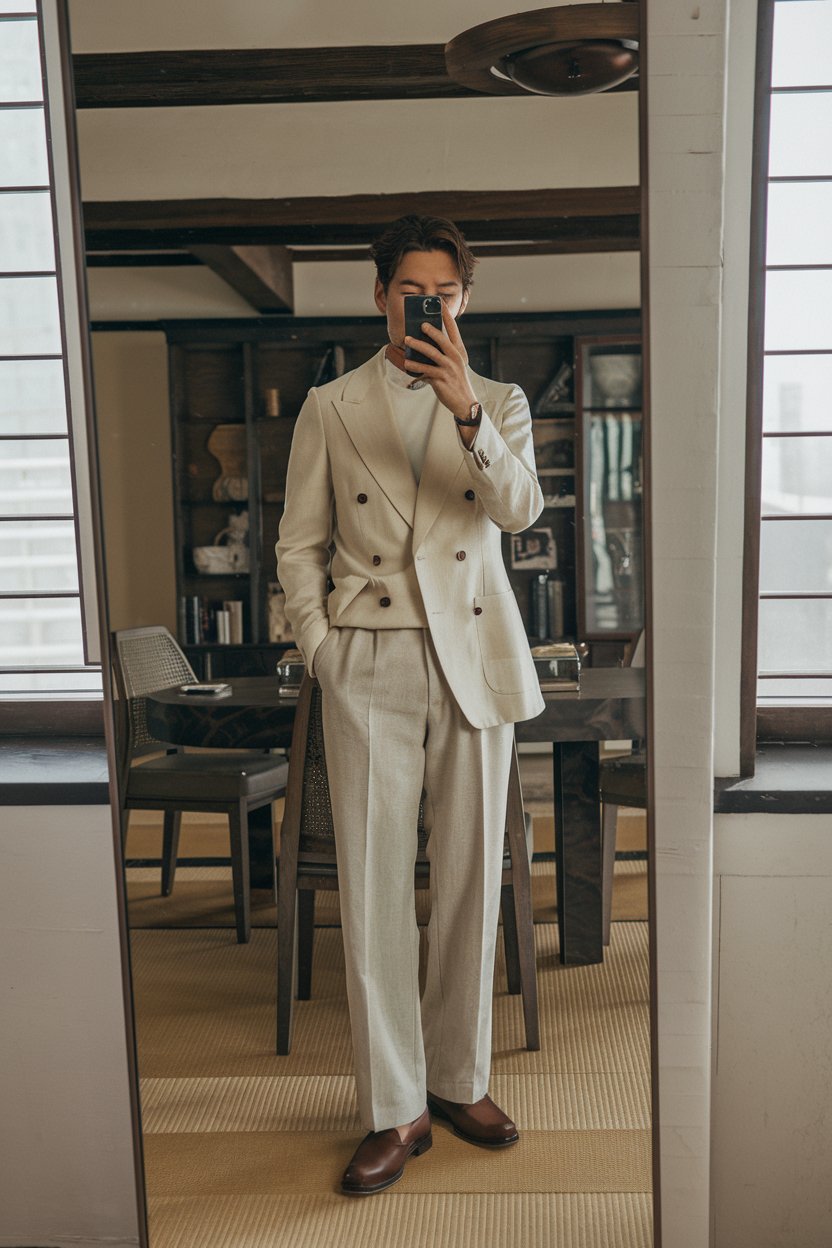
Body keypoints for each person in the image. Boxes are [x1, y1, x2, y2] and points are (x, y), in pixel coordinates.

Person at [276, 214, 544, 1196]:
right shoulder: (330, 405)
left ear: (462, 300)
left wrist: (463, 406)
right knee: (376, 891)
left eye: (444, 291)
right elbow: (298, 543)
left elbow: (519, 511)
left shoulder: (500, 400)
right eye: (409, 290)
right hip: (370, 660)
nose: (425, 304)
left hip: (472, 655)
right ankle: (392, 1110)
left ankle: (457, 1081)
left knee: (472, 880)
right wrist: (323, 648)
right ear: (380, 294)